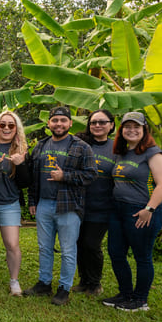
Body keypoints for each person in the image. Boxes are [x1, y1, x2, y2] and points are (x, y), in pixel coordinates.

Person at [24, 106, 96, 306]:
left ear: (70, 123)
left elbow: (91, 175)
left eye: (63, 120)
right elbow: (33, 177)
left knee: (67, 249)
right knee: (44, 247)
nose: (59, 124)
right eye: (55, 120)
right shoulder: (40, 145)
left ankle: (64, 288)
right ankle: (44, 283)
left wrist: (65, 176)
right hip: (44, 204)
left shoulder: (81, 146)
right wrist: (32, 201)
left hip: (69, 206)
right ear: (49, 123)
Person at [103, 111, 162, 312]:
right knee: (116, 253)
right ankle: (125, 294)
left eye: (136, 127)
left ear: (144, 130)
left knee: (142, 256)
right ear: (121, 130)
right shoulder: (122, 153)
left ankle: (140, 300)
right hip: (118, 210)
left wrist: (149, 209)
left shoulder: (153, 153)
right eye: (127, 127)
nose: (131, 130)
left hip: (142, 211)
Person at [0, 111, 30, 297]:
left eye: (11, 125)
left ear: (16, 129)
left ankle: (14, 281)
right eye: (2, 124)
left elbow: (26, 183)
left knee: (11, 243)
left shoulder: (22, 150)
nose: (6, 128)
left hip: (9, 203)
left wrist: (20, 165)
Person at [72, 110, 116, 296]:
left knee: (91, 244)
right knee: (79, 243)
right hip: (78, 204)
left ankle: (95, 283)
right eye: (93, 122)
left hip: (102, 206)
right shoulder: (81, 145)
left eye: (102, 122)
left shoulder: (117, 149)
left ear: (111, 125)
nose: (97, 125)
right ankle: (84, 280)